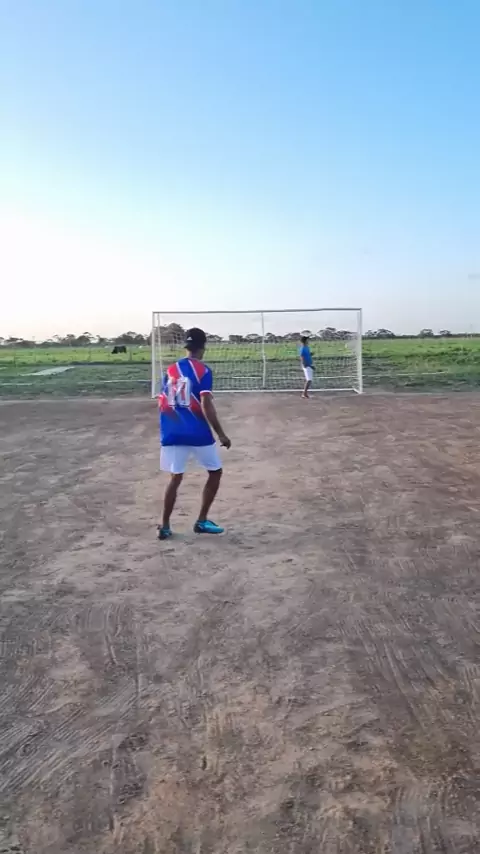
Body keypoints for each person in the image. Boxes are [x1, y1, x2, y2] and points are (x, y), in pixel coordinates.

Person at [157, 327, 231, 540]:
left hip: (173, 432)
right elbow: (206, 404)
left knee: (175, 477)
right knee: (215, 472)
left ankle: (165, 525)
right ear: (203, 347)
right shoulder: (203, 371)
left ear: (186, 346)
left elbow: (162, 403)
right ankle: (201, 521)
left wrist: (169, 429)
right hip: (197, 433)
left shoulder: (171, 370)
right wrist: (221, 434)